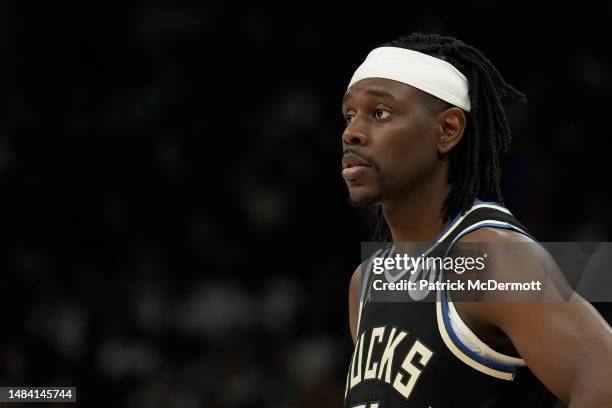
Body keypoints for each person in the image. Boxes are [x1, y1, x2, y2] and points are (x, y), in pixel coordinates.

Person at [341, 33, 612, 407]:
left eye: (379, 113)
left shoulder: (488, 258)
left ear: (448, 130)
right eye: (350, 115)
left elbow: (604, 380)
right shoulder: (367, 280)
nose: (351, 133)